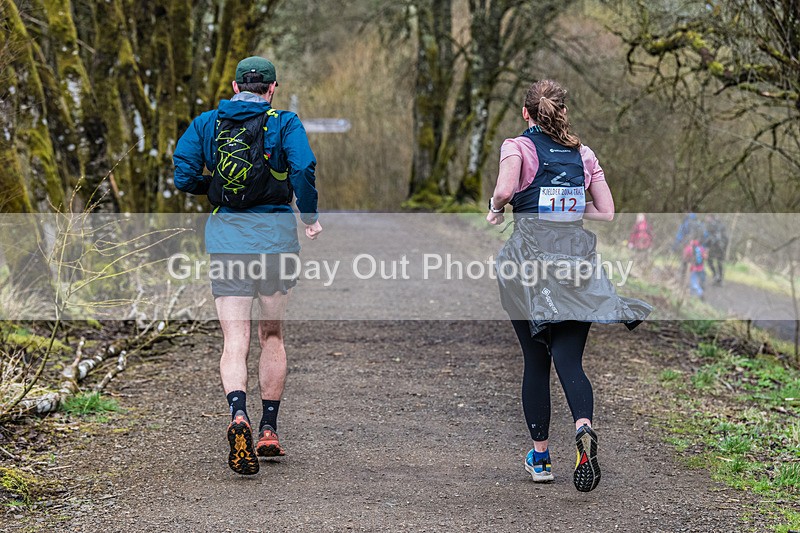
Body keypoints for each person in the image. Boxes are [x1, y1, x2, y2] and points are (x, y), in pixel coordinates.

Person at [486, 80, 651, 492]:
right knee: (569, 359)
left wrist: (496, 208)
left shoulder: (517, 147)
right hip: (576, 264)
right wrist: (570, 204)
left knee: (535, 359)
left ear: (527, 113)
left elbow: (506, 189)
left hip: (527, 264)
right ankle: (583, 427)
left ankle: (540, 458)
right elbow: (607, 212)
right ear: (561, 113)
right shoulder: (584, 153)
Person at [173, 56, 322, 475]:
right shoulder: (285, 122)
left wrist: (215, 188)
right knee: (271, 335)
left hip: (226, 239)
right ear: (272, 88)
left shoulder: (206, 123)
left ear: (236, 87)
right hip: (274, 238)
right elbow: (304, 167)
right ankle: (268, 429)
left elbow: (183, 175)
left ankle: (237, 415)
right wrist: (308, 216)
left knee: (234, 340)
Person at [702, 214, 728, 285]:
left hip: (717, 247)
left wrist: (707, 245)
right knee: (714, 262)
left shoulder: (716, 225)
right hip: (716, 246)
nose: (706, 219)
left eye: (707, 217)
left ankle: (718, 278)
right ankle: (717, 277)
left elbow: (723, 237)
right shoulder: (714, 225)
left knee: (715, 262)